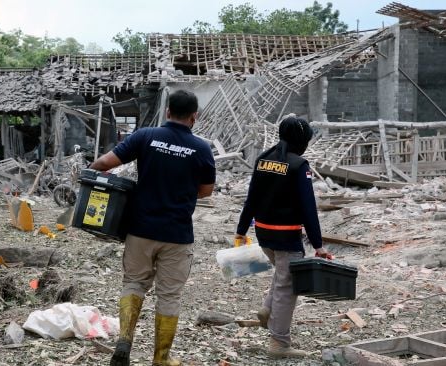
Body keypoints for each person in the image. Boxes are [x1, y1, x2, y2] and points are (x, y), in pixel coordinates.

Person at [89, 90, 216, 366]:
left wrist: (90, 173)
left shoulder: (145, 136)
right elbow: (206, 191)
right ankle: (161, 358)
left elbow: (104, 164)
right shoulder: (202, 149)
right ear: (194, 117)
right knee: (169, 295)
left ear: (167, 112)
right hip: (177, 235)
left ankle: (124, 340)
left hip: (140, 230)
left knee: (134, 283)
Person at [234, 116, 330, 359]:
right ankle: (279, 343)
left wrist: (241, 230)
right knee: (289, 287)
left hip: (263, 233)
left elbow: (251, 198)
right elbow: (309, 209)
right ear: (302, 140)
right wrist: (318, 246)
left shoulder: (263, 159)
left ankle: (267, 310)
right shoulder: (299, 165)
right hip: (286, 237)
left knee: (282, 274)